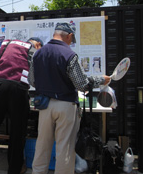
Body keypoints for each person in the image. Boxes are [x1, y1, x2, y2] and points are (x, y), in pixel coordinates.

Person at [28, 22, 111, 174]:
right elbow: (81, 84)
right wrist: (100, 79)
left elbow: (32, 81)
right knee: (64, 148)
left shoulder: (38, 53)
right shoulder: (69, 54)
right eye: (71, 40)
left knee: (42, 146)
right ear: (69, 36)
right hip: (65, 106)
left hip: (44, 106)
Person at [0, 37, 43, 174]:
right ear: (37, 44)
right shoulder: (32, 50)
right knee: (17, 131)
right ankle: (14, 169)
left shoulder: (7, 43)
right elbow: (33, 74)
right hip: (18, 90)